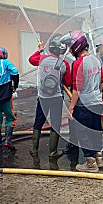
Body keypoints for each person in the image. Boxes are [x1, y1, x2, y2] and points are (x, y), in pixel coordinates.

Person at [28, 40, 72, 169]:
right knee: (55, 124)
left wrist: (40, 50)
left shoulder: (41, 59)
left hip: (42, 98)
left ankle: (34, 149)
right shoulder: (64, 64)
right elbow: (68, 81)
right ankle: (52, 152)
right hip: (56, 98)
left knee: (38, 122)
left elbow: (31, 59)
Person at [67, 30, 103, 173]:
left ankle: (90, 164)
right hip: (97, 102)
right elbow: (102, 82)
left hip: (84, 105)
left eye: (71, 47)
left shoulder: (78, 63)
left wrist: (71, 108)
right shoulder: (96, 60)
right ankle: (99, 158)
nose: (70, 50)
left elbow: (76, 89)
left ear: (76, 47)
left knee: (84, 133)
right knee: (96, 130)